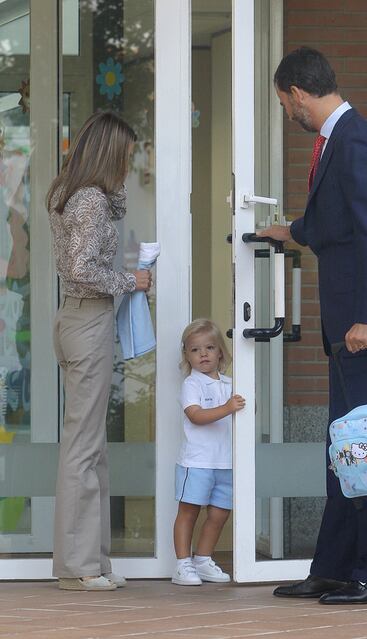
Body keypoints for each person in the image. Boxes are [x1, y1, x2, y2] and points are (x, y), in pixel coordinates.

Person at [258, 47, 367, 604]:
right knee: (343, 450)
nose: (287, 113)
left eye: (283, 103)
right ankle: (334, 568)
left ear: (298, 94)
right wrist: (290, 231)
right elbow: (334, 222)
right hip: (351, 326)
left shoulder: (359, 141)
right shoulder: (337, 143)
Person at [46, 111, 152, 591]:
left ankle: (94, 560)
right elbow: (82, 268)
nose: (129, 164)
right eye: (126, 155)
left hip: (79, 318)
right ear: (110, 153)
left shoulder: (76, 192)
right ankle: (78, 567)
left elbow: (113, 214)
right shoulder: (88, 199)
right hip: (87, 316)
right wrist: (133, 280)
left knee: (90, 445)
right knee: (84, 447)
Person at [172, 318, 245, 586]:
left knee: (219, 514)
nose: (203, 354)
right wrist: (227, 408)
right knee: (189, 511)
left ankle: (203, 560)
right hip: (197, 461)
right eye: (195, 350)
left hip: (225, 462)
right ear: (187, 356)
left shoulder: (231, 384)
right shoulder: (192, 384)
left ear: (220, 353)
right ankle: (182, 565)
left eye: (209, 348)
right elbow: (196, 416)